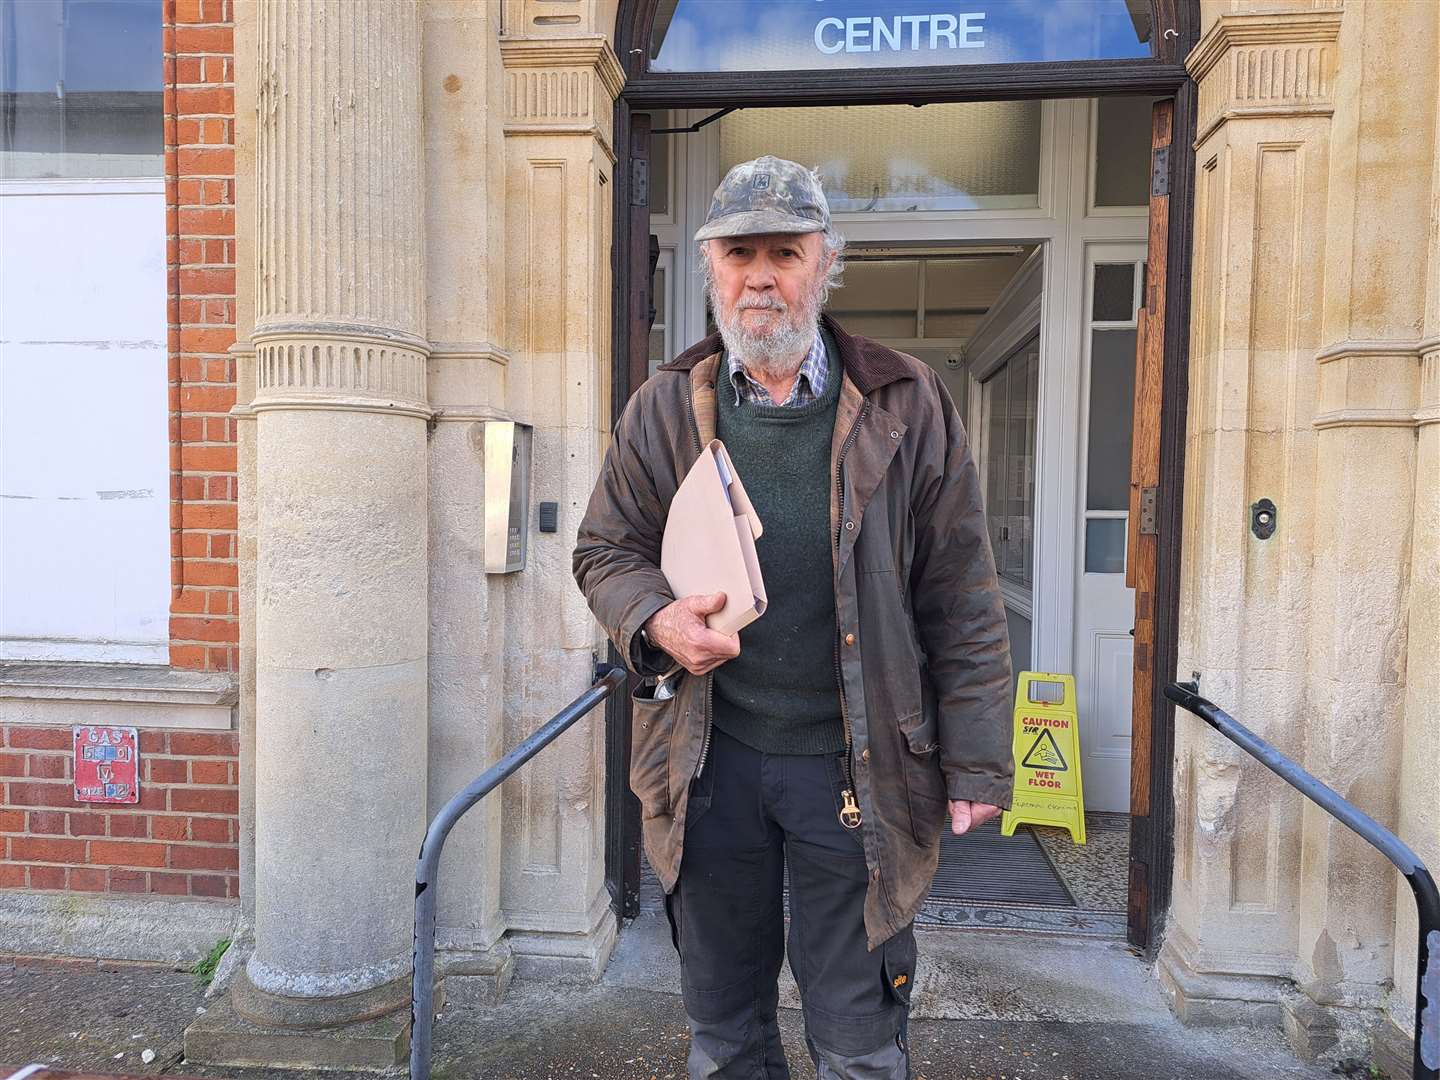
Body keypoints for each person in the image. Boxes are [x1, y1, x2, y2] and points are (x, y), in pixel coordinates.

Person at [573, 155, 1014, 1079]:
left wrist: (977, 759)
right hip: (707, 759)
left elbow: (962, 595)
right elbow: (603, 552)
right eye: (740, 253)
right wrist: (656, 619)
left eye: (786, 250)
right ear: (712, 269)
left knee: (858, 1034)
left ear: (826, 263)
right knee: (725, 1029)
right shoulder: (663, 409)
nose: (761, 275)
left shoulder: (909, 403)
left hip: (858, 770)